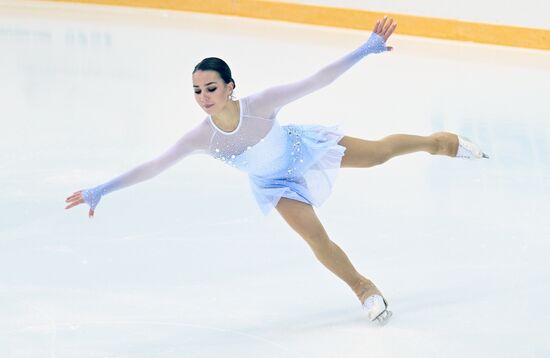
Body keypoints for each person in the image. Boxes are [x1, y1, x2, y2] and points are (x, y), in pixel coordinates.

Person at [65, 16, 487, 324]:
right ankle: (364, 289)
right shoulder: (202, 137)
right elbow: (154, 166)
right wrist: (102, 188)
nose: (204, 96)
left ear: (230, 86)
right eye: (197, 90)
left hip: (303, 149)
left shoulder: (261, 104)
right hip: (274, 183)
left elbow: (316, 80)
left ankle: (440, 143)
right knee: (316, 238)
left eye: (211, 88)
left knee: (377, 154)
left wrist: (363, 50)